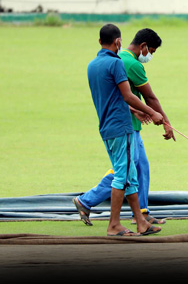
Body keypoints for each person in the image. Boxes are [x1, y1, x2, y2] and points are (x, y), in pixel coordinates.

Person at [74, 28, 173, 227]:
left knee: (139, 166)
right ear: (143, 46)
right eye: (151, 51)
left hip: (114, 122)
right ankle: (91, 204)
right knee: (125, 171)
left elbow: (117, 95)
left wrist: (135, 110)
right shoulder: (125, 63)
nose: (150, 56)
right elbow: (145, 97)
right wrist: (163, 120)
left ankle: (142, 214)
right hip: (122, 125)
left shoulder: (97, 63)